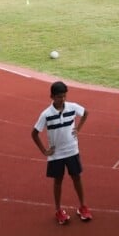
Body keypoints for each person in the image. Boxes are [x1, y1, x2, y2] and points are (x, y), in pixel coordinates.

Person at [30, 80, 92, 224]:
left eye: (64, 96)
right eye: (59, 96)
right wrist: (44, 151)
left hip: (72, 150)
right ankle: (58, 210)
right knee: (58, 181)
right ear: (52, 96)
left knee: (77, 177)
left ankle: (82, 206)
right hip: (56, 154)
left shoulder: (72, 107)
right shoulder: (46, 114)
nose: (62, 99)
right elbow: (34, 133)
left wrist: (79, 129)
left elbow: (85, 113)